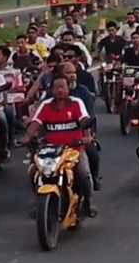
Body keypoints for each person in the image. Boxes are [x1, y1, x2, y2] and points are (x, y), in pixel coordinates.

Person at [21, 76, 98, 215]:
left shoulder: (76, 103)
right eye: (56, 87)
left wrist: (86, 137)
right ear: (51, 90)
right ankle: (38, 202)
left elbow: (84, 121)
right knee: (33, 171)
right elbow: (35, 124)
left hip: (74, 149)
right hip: (50, 150)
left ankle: (88, 202)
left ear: (68, 89)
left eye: (62, 87)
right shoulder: (46, 105)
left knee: (83, 173)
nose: (59, 90)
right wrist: (27, 137)